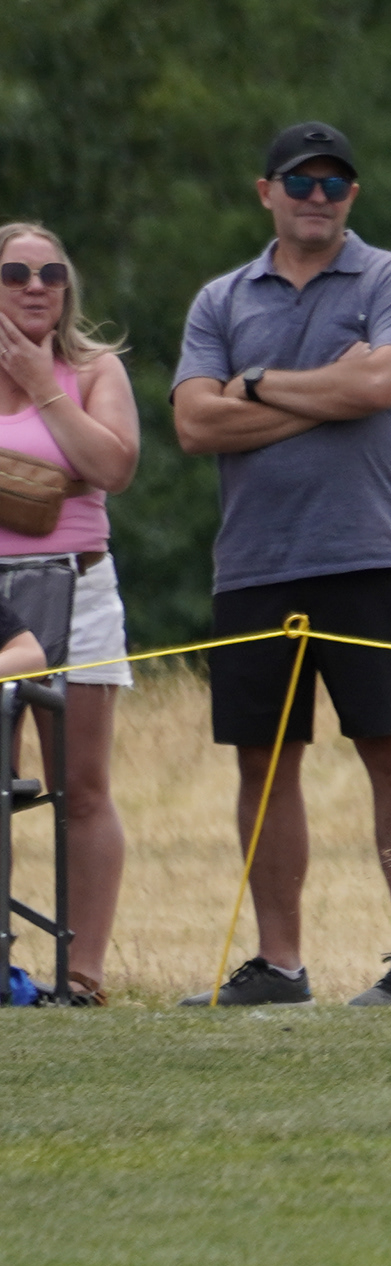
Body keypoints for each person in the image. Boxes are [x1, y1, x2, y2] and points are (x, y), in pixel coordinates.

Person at [167, 120, 391, 1006]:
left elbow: (380, 384)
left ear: (352, 195)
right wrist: (327, 393)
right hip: (255, 564)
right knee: (263, 761)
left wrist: (252, 384)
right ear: (267, 192)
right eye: (299, 181)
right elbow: (193, 423)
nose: (316, 197)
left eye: (333, 183)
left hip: (373, 555)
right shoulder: (220, 300)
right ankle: (280, 963)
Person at [0, 222, 137, 1002]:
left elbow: (111, 465)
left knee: (79, 785)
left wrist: (43, 386)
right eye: (15, 273)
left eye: (50, 273)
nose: (35, 286)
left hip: (77, 585)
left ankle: (81, 974)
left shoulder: (93, 368)